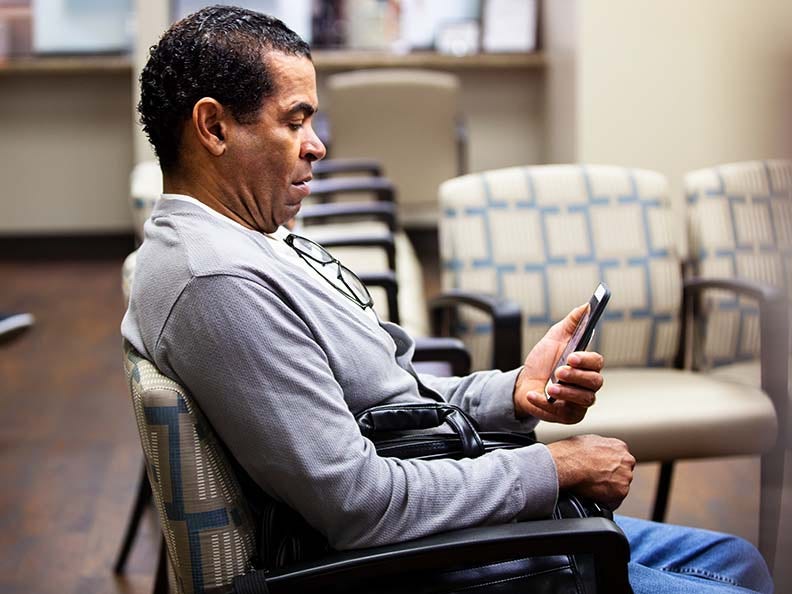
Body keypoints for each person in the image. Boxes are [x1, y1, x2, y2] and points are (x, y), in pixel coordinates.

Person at [121, 6, 773, 593]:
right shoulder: (219, 284)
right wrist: (554, 467)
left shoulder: (252, 243)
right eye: (295, 120)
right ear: (212, 127)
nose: (317, 144)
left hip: (453, 517)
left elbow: (393, 399)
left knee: (739, 560)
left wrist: (513, 391)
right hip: (429, 561)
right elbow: (360, 505)